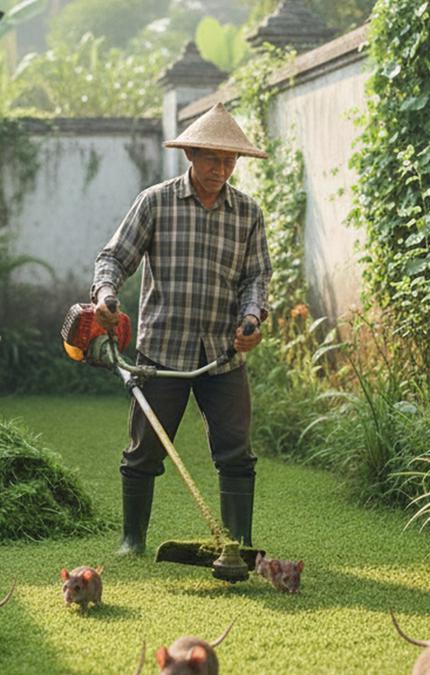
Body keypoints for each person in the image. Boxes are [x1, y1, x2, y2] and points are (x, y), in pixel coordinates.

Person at [90, 102, 272, 555]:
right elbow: (113, 258)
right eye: (212, 158)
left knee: (236, 453)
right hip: (162, 352)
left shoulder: (247, 213)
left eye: (230, 160)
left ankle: (239, 541)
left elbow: (257, 278)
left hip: (222, 353)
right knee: (143, 451)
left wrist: (252, 319)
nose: (221, 169)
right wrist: (105, 296)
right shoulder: (155, 202)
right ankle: (132, 540)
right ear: (190, 154)